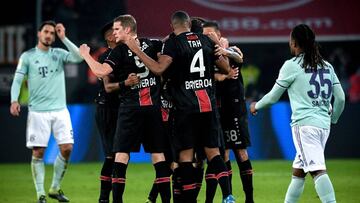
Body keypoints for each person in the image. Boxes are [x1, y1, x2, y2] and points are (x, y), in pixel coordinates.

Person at [124, 10, 235, 203]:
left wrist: (137, 50)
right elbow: (226, 68)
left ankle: (189, 201)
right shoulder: (206, 41)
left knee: (185, 157)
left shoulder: (173, 43)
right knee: (214, 153)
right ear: (189, 25)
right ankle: (228, 196)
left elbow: (159, 69)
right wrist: (218, 46)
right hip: (208, 106)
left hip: (185, 108)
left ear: (172, 27)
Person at [79, 15, 172, 203]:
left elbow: (100, 71)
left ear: (127, 30)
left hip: (130, 110)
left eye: (117, 29)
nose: (113, 34)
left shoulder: (119, 51)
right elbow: (165, 58)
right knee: (158, 155)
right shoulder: (153, 44)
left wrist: (86, 55)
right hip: (153, 109)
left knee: (121, 155)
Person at [250, 24, 345, 203]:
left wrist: (256, 105)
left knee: (317, 170)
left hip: (305, 125)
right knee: (298, 172)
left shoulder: (291, 65)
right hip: (323, 125)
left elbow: (272, 98)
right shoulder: (327, 66)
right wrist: (333, 119)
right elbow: (340, 99)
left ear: (294, 43)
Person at [9, 20, 83, 203]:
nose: (49, 35)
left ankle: (55, 188)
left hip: (60, 110)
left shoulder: (58, 54)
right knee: (39, 152)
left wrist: (64, 38)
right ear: (39, 34)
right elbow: (18, 81)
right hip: (38, 112)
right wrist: (14, 100)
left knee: (67, 148)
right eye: (46, 32)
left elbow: (78, 57)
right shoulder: (27, 56)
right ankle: (40, 194)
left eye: (52, 33)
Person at [203, 21, 254, 203]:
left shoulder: (232, 50)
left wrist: (225, 51)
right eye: (204, 34)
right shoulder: (207, 55)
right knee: (222, 155)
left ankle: (249, 199)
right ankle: (228, 197)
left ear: (218, 35)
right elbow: (211, 76)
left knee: (240, 152)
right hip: (217, 110)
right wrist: (222, 76)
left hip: (234, 109)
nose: (207, 37)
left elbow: (239, 59)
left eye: (210, 34)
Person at [94, 21, 120, 203]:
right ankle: (104, 198)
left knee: (119, 156)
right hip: (107, 109)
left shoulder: (125, 52)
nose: (119, 32)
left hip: (124, 109)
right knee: (112, 156)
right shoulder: (105, 57)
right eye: (115, 31)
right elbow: (109, 87)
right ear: (109, 37)